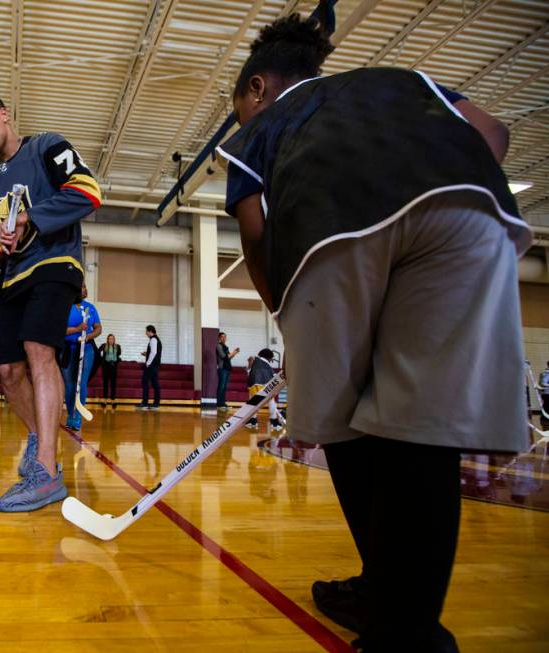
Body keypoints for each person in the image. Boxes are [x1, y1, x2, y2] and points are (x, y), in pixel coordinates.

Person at [221, 13, 530, 652]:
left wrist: (285, 309)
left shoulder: (263, 129)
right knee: (424, 432)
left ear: (258, 89)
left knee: (338, 424)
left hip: (334, 227)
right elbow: (492, 133)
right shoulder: (405, 78)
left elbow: (255, 232)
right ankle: (402, 620)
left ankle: (390, 606)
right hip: (470, 212)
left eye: (243, 110)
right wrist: (429, 180)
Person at [0, 91, 101, 513]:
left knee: (39, 350)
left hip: (54, 264)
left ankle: (46, 471)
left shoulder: (47, 146)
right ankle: (41, 438)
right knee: (9, 372)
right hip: (11, 279)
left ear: (4, 115)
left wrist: (29, 218)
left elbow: (88, 191)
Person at [62, 283, 101, 430]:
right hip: (68, 349)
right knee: (70, 384)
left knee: (81, 382)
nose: (85, 288)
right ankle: (70, 415)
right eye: (82, 286)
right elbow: (60, 330)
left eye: (85, 286)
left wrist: (89, 336)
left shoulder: (90, 307)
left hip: (87, 349)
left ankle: (78, 417)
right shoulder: (65, 306)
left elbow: (98, 328)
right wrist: (77, 330)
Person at [245, 348, 280, 430]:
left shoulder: (254, 360)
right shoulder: (267, 366)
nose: (272, 360)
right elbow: (273, 378)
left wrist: (249, 362)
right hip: (266, 386)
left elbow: (249, 371)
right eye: (271, 358)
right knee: (271, 402)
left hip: (254, 386)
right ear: (269, 357)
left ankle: (253, 421)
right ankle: (274, 422)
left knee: (253, 403)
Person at [136, 325, 162, 410]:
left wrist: (147, 363)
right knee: (155, 384)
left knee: (145, 382)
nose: (145, 333)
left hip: (151, 365)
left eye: (146, 331)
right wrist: (146, 354)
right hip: (155, 365)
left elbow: (154, 353)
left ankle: (145, 403)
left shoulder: (153, 339)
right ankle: (155, 404)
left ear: (150, 331)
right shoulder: (156, 339)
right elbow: (154, 352)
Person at [216, 332, 240, 413]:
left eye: (225, 337)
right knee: (221, 386)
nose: (224, 338)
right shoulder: (218, 346)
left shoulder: (226, 346)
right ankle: (219, 404)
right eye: (222, 337)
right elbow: (224, 357)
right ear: (219, 338)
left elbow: (229, 358)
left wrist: (235, 352)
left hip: (227, 368)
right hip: (222, 368)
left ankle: (223, 403)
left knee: (225, 387)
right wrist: (233, 352)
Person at [99, 334, 122, 407]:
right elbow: (98, 351)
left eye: (112, 339)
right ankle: (105, 400)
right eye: (109, 339)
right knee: (105, 383)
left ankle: (113, 400)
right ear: (107, 340)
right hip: (106, 366)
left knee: (113, 384)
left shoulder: (117, 346)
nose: (111, 340)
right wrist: (101, 359)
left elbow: (119, 354)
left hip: (113, 366)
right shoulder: (104, 345)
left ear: (114, 340)